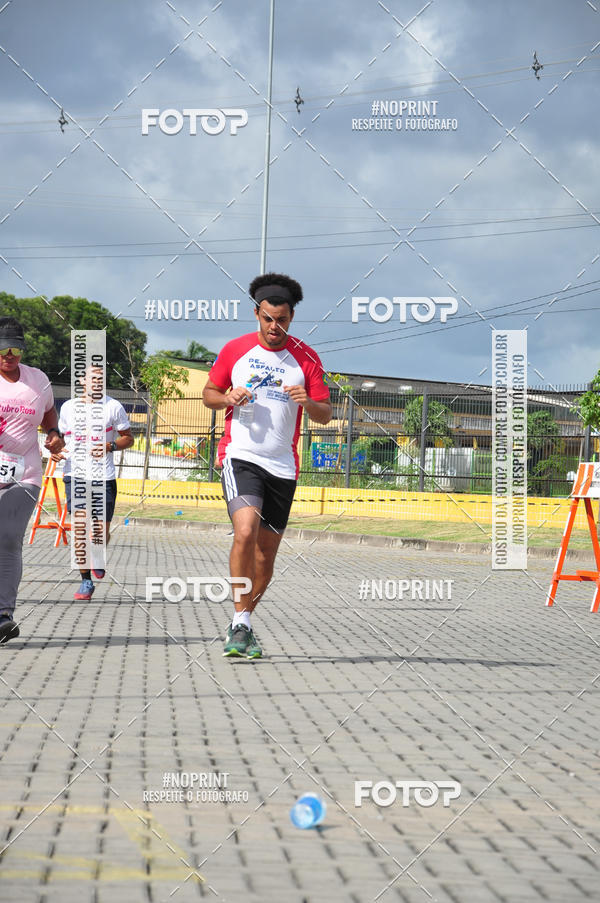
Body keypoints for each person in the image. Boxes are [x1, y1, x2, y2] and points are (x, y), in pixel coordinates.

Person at [202, 273, 332, 659]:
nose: (275, 328)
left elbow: (325, 414)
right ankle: (241, 623)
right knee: (245, 530)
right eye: (268, 319)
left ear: (292, 318)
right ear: (257, 313)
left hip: (282, 466)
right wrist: (227, 397)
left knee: (265, 555)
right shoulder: (235, 350)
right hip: (241, 455)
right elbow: (208, 394)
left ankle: (242, 623)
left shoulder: (306, 358)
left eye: (283, 320)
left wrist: (307, 401)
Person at [0, 316, 65, 643]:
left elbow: (49, 412)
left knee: (9, 538)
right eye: (2, 349)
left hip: (22, 472)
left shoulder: (37, 380)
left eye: (15, 349)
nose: (9, 355)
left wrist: (53, 433)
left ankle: (3, 615)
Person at [55, 365, 134, 600]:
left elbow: (128, 438)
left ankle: (98, 556)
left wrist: (110, 446)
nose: (97, 383)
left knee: (99, 532)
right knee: (80, 529)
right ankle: (86, 581)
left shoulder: (113, 406)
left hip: (103, 476)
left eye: (101, 379)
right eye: (93, 379)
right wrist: (56, 450)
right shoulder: (69, 408)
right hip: (75, 474)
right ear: (83, 381)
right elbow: (60, 438)